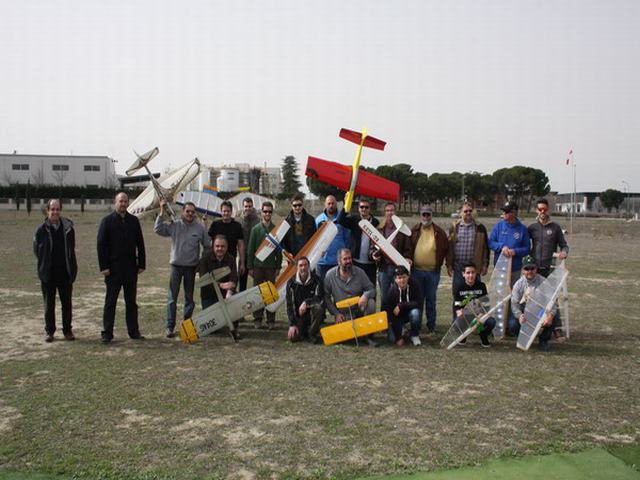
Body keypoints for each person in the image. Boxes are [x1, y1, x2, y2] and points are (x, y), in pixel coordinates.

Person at [154, 200, 210, 338]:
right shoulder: (175, 225)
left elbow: (207, 245)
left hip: (191, 268)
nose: (190, 214)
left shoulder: (200, 228)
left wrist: (201, 262)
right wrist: (161, 211)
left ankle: (186, 325)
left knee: (189, 299)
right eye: (187, 211)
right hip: (176, 266)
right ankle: (170, 326)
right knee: (172, 298)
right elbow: (158, 229)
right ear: (183, 212)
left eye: (192, 212)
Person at [97, 192, 146, 343]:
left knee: (131, 302)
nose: (123, 204)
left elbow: (140, 243)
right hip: (113, 270)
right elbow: (101, 245)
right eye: (121, 201)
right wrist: (104, 266)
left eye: (125, 201)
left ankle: (133, 332)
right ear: (115, 203)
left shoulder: (134, 221)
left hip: (130, 269)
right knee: (110, 302)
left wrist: (142, 264)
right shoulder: (107, 221)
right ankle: (107, 333)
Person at [33, 199, 78, 342]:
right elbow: (36, 250)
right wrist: (44, 264)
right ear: (48, 211)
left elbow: (71, 249)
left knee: (67, 303)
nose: (55, 212)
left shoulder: (68, 228)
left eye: (57, 209)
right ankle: (50, 331)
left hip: (64, 272)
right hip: (48, 273)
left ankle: (67, 331)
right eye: (52, 209)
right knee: (49, 304)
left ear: (60, 211)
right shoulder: (41, 230)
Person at [528, 198, 569, 340]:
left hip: (549, 268)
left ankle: (556, 328)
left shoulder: (555, 227)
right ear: (536, 210)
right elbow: (525, 243)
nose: (542, 212)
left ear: (548, 210)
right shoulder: (532, 227)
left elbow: (564, 245)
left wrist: (564, 252)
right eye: (540, 209)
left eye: (544, 209)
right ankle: (536, 326)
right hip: (534, 269)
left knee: (552, 299)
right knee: (534, 298)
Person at [405, 206, 449, 334]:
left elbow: (446, 250)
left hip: (432, 272)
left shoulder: (439, 232)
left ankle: (431, 325)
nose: (426, 217)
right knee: (417, 300)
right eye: (423, 215)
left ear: (431, 216)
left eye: (428, 215)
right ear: (420, 216)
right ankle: (416, 324)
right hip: (416, 272)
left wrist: (448, 265)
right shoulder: (413, 230)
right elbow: (408, 248)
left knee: (431, 299)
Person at [323, 248, 378, 346]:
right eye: (345, 259)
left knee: (371, 303)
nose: (348, 261)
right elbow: (326, 297)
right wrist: (336, 314)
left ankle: (368, 337)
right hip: (342, 314)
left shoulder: (360, 272)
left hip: (358, 310)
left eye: (350, 258)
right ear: (339, 261)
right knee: (342, 338)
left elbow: (372, 289)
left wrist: (365, 295)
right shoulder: (329, 275)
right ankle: (351, 333)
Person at [446, 201, 490, 305]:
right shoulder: (454, 227)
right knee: (457, 295)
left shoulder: (480, 227)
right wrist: (448, 264)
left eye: (470, 211)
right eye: (465, 211)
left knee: (475, 297)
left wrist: (485, 265)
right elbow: (450, 247)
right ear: (460, 212)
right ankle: (457, 319)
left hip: (474, 267)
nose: (468, 213)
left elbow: (485, 248)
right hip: (458, 267)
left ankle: (476, 319)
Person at [247, 201, 282, 329]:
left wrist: (278, 266)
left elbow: (279, 250)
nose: (267, 213)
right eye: (265, 211)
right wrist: (250, 267)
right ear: (261, 212)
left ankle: (271, 319)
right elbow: (250, 250)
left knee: (270, 294)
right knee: (257, 293)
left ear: (272, 213)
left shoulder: (275, 229)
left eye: (269, 211)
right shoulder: (255, 230)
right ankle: (257, 318)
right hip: (258, 267)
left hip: (270, 267)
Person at [510, 255, 555, 352]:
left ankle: (543, 340)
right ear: (522, 270)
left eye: (532, 268)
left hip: (540, 312)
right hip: (525, 313)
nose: (529, 271)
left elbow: (552, 301)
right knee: (513, 325)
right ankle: (523, 337)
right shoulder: (518, 284)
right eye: (527, 268)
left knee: (553, 317)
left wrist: (550, 316)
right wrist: (519, 315)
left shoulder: (544, 282)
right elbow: (514, 304)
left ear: (536, 269)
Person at [372, 202, 410, 302]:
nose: (390, 213)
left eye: (392, 210)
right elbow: (372, 247)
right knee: (385, 297)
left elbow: (407, 248)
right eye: (388, 211)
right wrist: (373, 255)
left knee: (398, 296)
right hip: (383, 268)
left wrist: (407, 257)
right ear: (385, 213)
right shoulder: (380, 229)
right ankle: (385, 316)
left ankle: (397, 317)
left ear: (395, 212)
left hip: (398, 267)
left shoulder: (401, 230)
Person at [452, 262, 495, 347]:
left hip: (479, 315)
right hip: (465, 316)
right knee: (456, 323)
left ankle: (483, 336)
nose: (471, 275)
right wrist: (459, 312)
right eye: (468, 273)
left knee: (491, 322)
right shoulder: (458, 287)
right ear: (463, 274)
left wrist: (480, 316)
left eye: (473, 272)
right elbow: (457, 304)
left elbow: (486, 304)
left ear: (476, 273)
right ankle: (463, 336)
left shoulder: (481, 286)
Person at [337, 198, 379, 286]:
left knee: (370, 287)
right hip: (356, 261)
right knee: (356, 287)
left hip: (370, 263)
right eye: (362, 207)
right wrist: (346, 204)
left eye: (366, 207)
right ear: (358, 209)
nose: (364, 209)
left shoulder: (375, 222)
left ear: (370, 209)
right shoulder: (354, 220)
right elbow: (340, 220)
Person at [315, 195, 351, 285]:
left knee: (339, 289)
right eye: (329, 203)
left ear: (336, 204)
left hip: (338, 262)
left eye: (333, 203)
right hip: (322, 262)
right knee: (322, 289)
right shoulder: (318, 220)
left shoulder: (342, 219)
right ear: (325, 205)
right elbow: (315, 241)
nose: (331, 206)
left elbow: (347, 239)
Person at [285, 257, 323, 343]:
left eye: (305, 265)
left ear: (309, 266)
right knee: (293, 338)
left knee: (318, 307)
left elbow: (319, 298)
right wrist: (292, 324)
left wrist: (306, 302)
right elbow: (289, 305)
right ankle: (302, 330)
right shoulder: (291, 283)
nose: (303, 268)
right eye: (300, 265)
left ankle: (312, 333)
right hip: (299, 315)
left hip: (311, 314)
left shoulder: (317, 280)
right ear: (297, 267)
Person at [383, 265, 423, 347]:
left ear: (408, 276)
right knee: (392, 340)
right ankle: (402, 331)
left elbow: (419, 303)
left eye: (404, 277)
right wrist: (398, 338)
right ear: (395, 279)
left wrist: (401, 305)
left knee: (416, 313)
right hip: (397, 317)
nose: (402, 280)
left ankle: (414, 335)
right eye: (399, 278)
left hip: (410, 312)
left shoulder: (415, 285)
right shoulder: (391, 291)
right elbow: (391, 315)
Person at [208, 200, 246, 285]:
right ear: (221, 212)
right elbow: (209, 243)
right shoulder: (215, 224)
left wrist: (242, 263)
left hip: (231, 261)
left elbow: (241, 245)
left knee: (231, 285)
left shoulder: (237, 226)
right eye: (224, 211)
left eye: (228, 211)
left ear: (231, 212)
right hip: (216, 261)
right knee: (216, 286)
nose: (226, 213)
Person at [488, 201, 530, 275]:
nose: (504, 213)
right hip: (499, 268)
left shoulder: (522, 229)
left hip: (515, 269)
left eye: (506, 211)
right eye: (503, 211)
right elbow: (490, 243)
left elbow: (527, 248)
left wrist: (515, 251)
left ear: (514, 213)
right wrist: (502, 247)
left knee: (514, 287)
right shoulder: (498, 226)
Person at [197, 235, 238, 309]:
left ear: (227, 247)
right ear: (213, 246)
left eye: (222, 246)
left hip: (225, 294)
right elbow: (204, 279)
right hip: (208, 296)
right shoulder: (205, 259)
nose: (220, 248)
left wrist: (230, 291)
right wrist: (221, 285)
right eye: (217, 246)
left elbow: (234, 278)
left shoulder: (231, 259)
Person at [239, 197, 260, 291]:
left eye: (250, 206)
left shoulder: (258, 221)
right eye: (246, 206)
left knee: (257, 284)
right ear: (243, 207)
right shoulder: (239, 221)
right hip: (243, 256)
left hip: (255, 257)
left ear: (252, 207)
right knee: (242, 284)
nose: (247, 208)